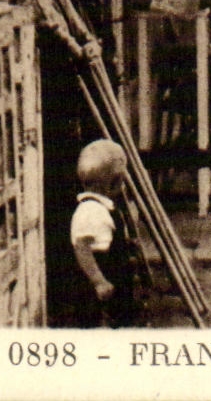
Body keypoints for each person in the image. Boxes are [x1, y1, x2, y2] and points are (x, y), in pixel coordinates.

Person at [70, 139, 140, 327]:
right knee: (101, 325)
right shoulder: (91, 211)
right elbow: (82, 247)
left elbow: (108, 239)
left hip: (113, 281)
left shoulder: (102, 208)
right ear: (115, 183)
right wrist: (99, 281)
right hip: (100, 286)